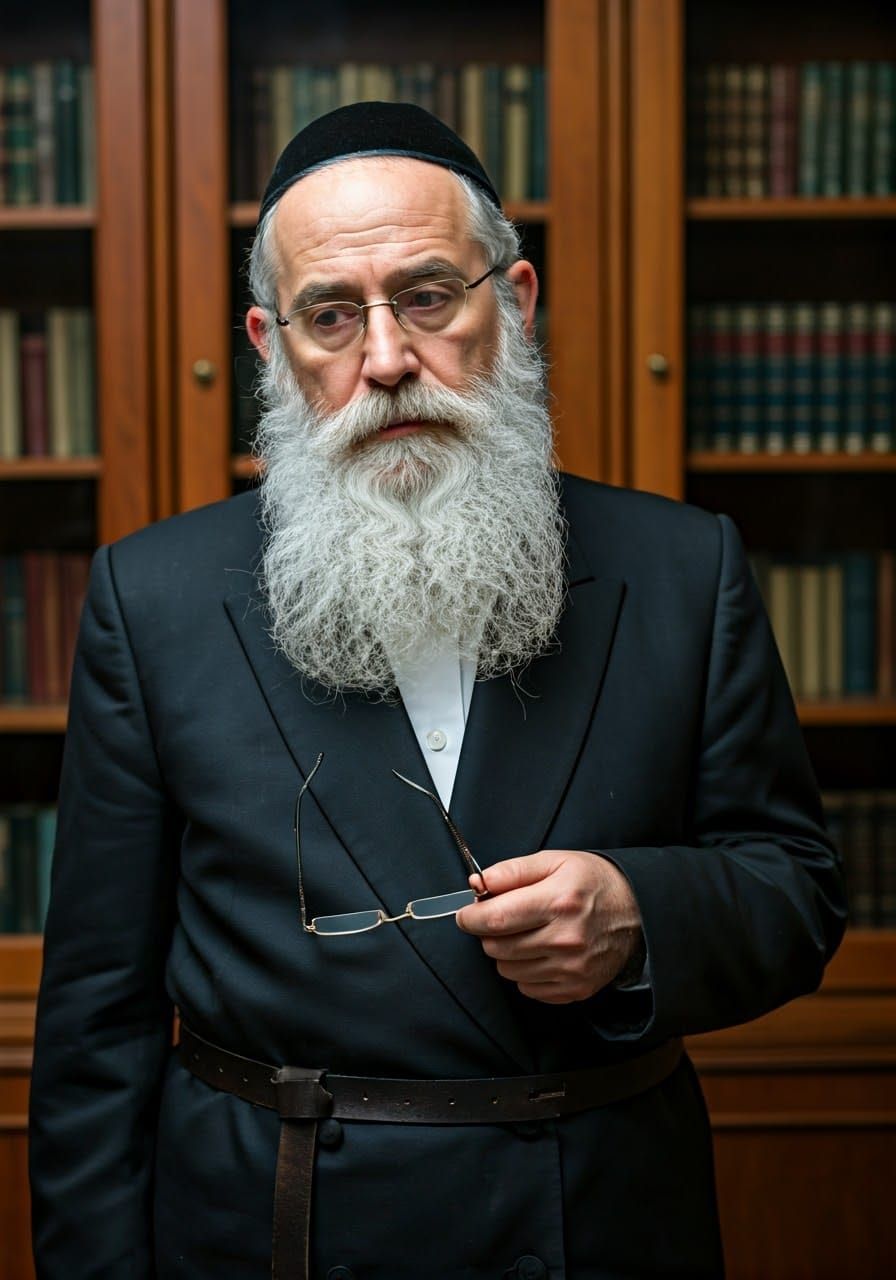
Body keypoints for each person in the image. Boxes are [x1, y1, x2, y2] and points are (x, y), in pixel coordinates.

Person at [29, 103, 846, 1280]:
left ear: (512, 300)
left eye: (424, 296)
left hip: (594, 1220)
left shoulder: (682, 566)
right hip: (277, 1225)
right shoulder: (150, 597)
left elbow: (795, 889)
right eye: (330, 314)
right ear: (269, 343)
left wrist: (637, 913)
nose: (385, 359)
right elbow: (95, 1024)